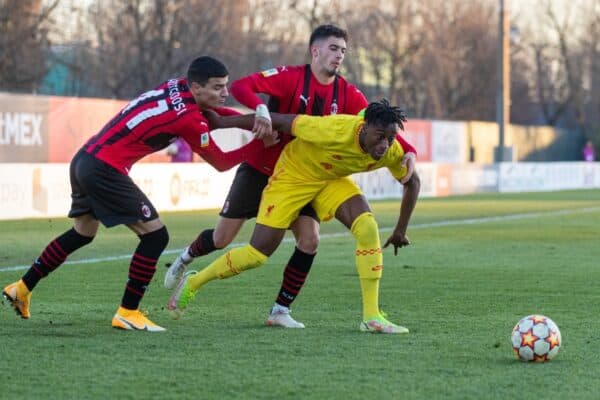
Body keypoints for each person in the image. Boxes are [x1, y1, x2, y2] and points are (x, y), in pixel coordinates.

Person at [164, 24, 417, 329]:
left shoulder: (353, 102)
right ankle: (191, 270)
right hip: (276, 170)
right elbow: (271, 111)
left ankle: (356, 315)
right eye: (333, 49)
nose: (339, 56)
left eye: (343, 51)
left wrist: (408, 150)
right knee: (238, 245)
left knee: (331, 235)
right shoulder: (304, 93)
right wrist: (238, 117)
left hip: (323, 178)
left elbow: (388, 133)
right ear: (316, 50)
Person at [2, 56, 271, 332]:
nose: (225, 93)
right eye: (217, 87)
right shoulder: (189, 119)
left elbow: (210, 116)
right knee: (156, 236)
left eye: (226, 86)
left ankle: (22, 288)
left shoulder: (176, 87)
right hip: (104, 168)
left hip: (84, 159)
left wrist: (251, 121)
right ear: (196, 87)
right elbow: (222, 162)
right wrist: (261, 144)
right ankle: (128, 312)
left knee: (82, 233)